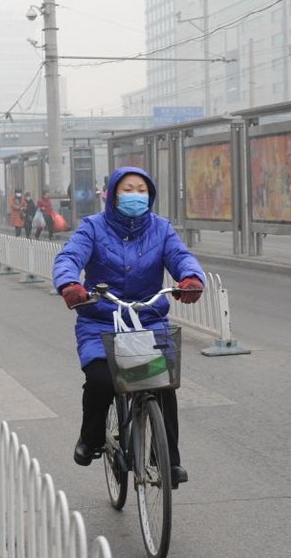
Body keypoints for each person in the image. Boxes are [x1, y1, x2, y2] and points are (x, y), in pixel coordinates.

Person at [52, 166, 205, 487]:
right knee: (101, 379)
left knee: (163, 386)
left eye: (141, 190)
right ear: (111, 194)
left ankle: (167, 462)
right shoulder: (92, 228)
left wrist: (191, 278)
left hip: (148, 320)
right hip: (101, 321)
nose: (135, 195)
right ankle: (91, 437)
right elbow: (69, 258)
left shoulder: (161, 229)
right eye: (127, 189)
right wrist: (69, 284)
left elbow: (181, 257)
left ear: (150, 195)